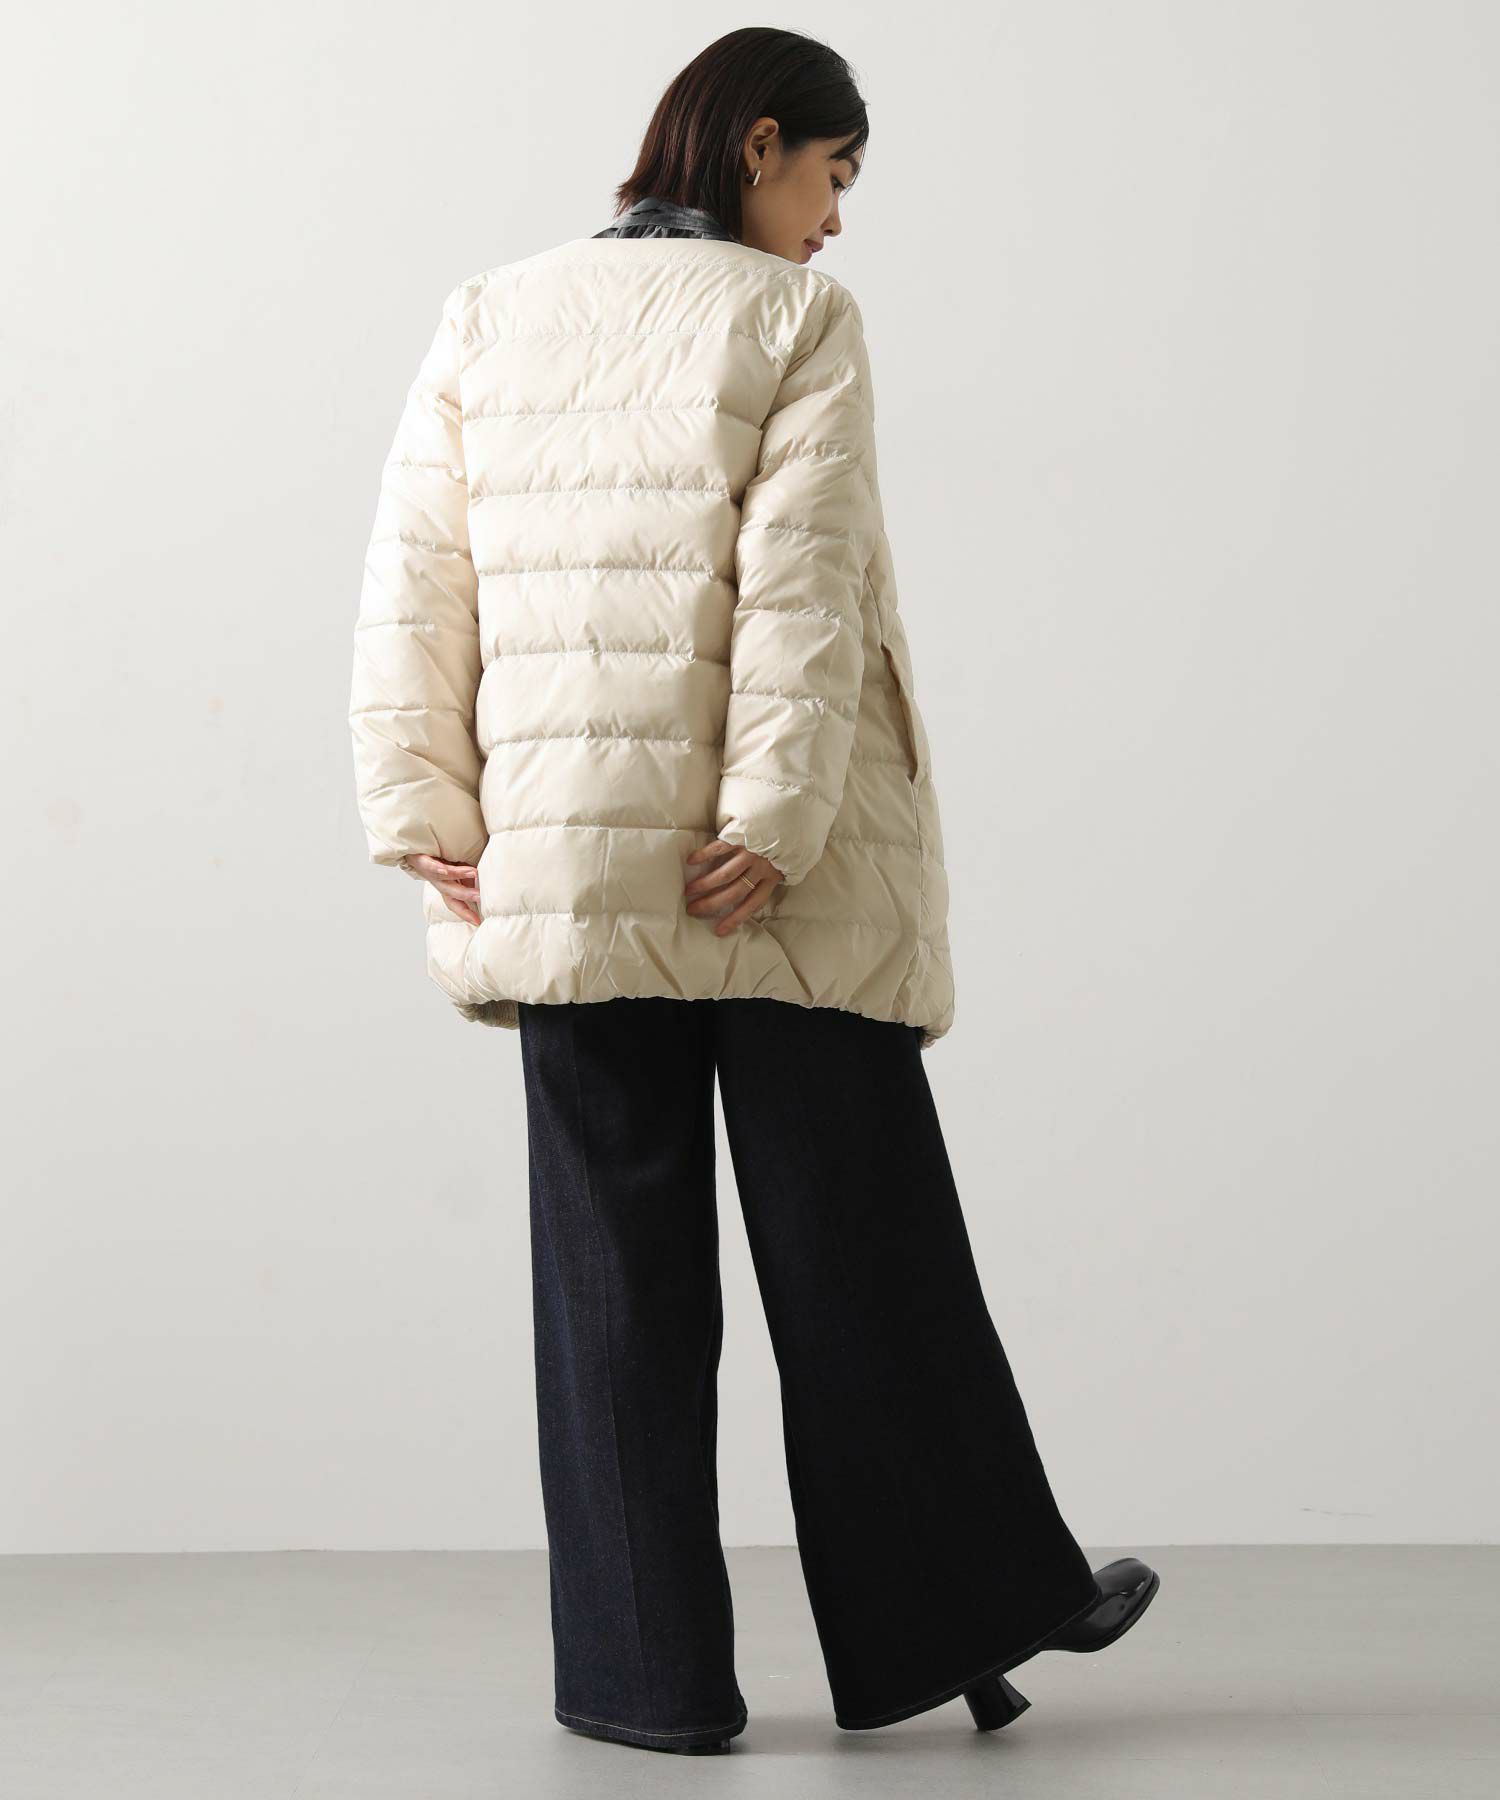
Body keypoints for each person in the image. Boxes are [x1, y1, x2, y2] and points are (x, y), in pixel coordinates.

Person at [348, 24, 1159, 1757]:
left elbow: (416, 576)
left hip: (559, 864)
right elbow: (802, 583)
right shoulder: (794, 317)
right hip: (757, 879)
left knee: (611, 1292)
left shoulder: (491, 309)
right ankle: (962, 1614)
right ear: (761, 143)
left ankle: (644, 1684)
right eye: (835, 176)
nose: (837, 218)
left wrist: (421, 809)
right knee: (863, 1249)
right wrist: (778, 820)